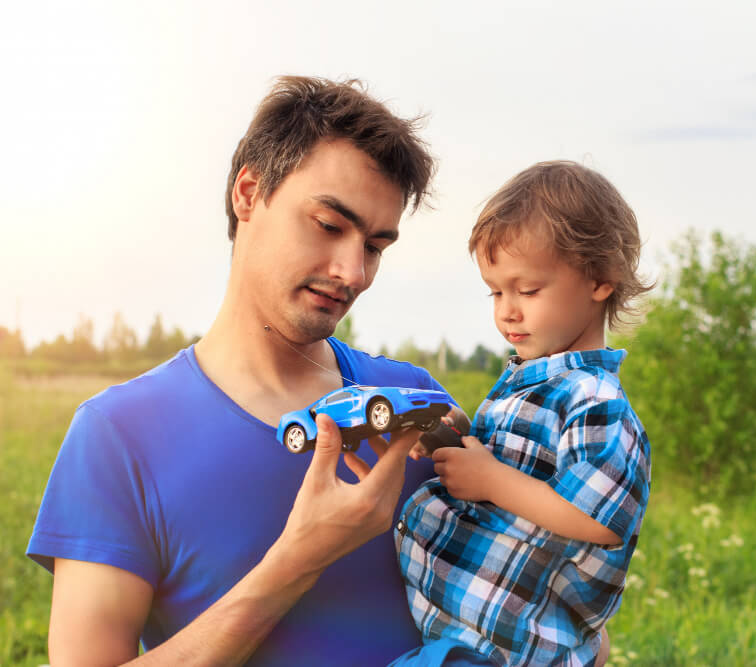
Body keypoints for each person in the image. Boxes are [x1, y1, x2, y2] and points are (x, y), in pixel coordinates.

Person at [27, 76, 464, 665]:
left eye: (375, 246)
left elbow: (542, 602)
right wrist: (298, 560)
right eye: (330, 226)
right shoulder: (116, 436)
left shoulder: (415, 398)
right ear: (249, 193)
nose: (353, 272)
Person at [394, 161, 654, 666]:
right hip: (464, 638)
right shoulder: (530, 382)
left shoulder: (593, 400)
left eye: (528, 291)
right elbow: (516, 467)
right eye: (496, 292)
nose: (507, 310)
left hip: (513, 647)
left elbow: (597, 518)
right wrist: (455, 441)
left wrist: (490, 480)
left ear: (601, 279)